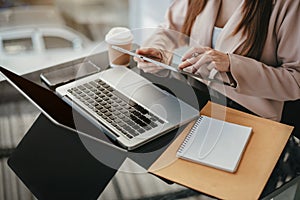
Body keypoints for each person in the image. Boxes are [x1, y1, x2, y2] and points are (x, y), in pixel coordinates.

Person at [134, 0, 300, 122]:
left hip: (248, 116)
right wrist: (155, 50)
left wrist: (232, 65)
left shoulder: (288, 4)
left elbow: (295, 79)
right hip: (195, 99)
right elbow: (169, 30)